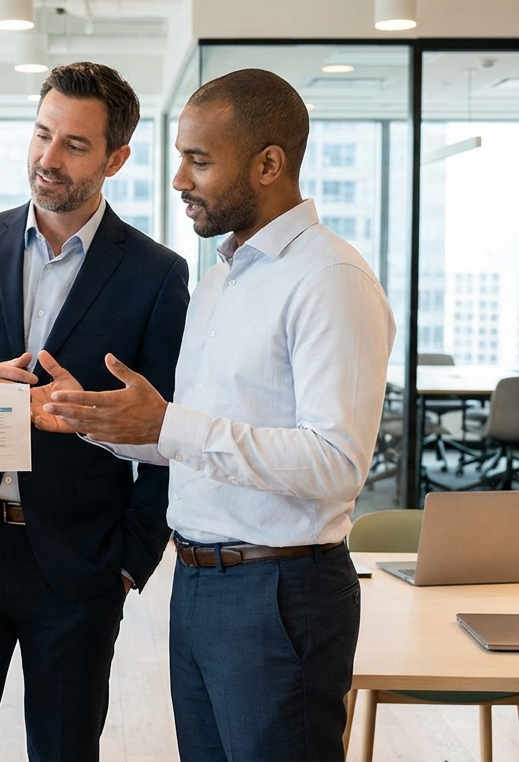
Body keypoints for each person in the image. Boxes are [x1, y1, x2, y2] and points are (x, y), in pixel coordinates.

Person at [40, 68, 396, 761]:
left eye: (198, 161)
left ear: (270, 164)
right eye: (180, 157)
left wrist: (168, 424)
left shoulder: (330, 281)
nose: (179, 179)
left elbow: (336, 463)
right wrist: (97, 420)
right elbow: (197, 438)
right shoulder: (224, 276)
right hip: (200, 582)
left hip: (279, 591)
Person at [0, 62, 190, 762]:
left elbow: (169, 425)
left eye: (74, 145)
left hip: (79, 565)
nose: (47, 159)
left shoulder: (156, 275)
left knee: (64, 751)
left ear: (117, 158)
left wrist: (128, 561)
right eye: (41, 135)